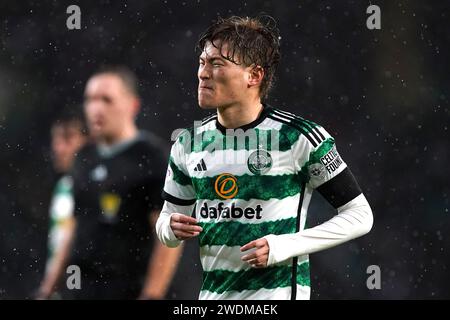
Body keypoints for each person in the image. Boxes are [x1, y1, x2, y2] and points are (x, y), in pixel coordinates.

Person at [156, 16, 373, 300]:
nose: (203, 73)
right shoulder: (187, 143)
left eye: (217, 64)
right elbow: (167, 219)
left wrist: (284, 246)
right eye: (202, 62)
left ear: (254, 76)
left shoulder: (298, 138)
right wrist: (170, 228)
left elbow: (360, 216)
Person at [38, 66, 182, 299]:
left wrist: (152, 295)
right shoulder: (84, 157)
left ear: (132, 105)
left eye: (106, 99)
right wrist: (48, 288)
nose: (96, 108)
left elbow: (167, 238)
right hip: (81, 291)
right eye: (90, 99)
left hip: (127, 290)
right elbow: (74, 228)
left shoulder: (152, 158)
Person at [36, 112, 88, 299]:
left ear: (89, 141)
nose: (57, 147)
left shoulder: (101, 188)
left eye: (67, 138)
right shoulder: (63, 187)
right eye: (55, 139)